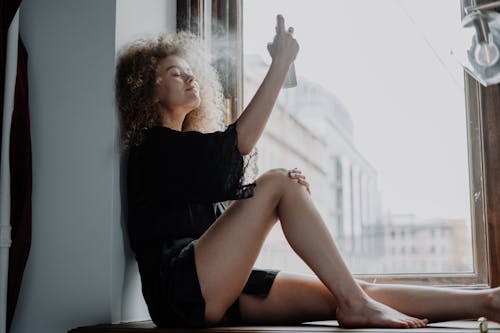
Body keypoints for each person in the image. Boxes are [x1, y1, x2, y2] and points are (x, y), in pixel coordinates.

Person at [116, 15, 500, 329]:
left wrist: (274, 197)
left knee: (349, 288)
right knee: (280, 182)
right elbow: (237, 146)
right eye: (174, 72)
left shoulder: (183, 153)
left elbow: (221, 194)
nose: (190, 77)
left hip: (214, 288)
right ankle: (356, 304)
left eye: (190, 71)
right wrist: (280, 66)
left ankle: (486, 300)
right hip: (179, 290)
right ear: (147, 89)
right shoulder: (151, 146)